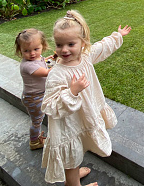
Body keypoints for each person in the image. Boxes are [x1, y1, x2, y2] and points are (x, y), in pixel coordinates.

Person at [41, 10, 131, 186]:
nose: (64, 50)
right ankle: (72, 183)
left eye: (70, 44)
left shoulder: (86, 57)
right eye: (59, 45)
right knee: (72, 153)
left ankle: (73, 175)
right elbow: (50, 105)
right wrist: (72, 91)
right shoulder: (57, 74)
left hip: (84, 115)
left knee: (79, 148)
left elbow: (102, 47)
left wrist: (117, 36)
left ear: (82, 43)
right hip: (69, 123)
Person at [15, 28, 52, 150]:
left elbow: (42, 62)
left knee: (39, 118)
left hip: (37, 95)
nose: (32, 54)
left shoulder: (37, 58)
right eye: (26, 51)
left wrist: (48, 60)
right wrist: (62, 63)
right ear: (20, 50)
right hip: (34, 98)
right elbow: (46, 72)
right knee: (37, 121)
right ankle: (34, 142)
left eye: (36, 49)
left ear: (42, 45)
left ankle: (36, 138)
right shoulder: (28, 65)